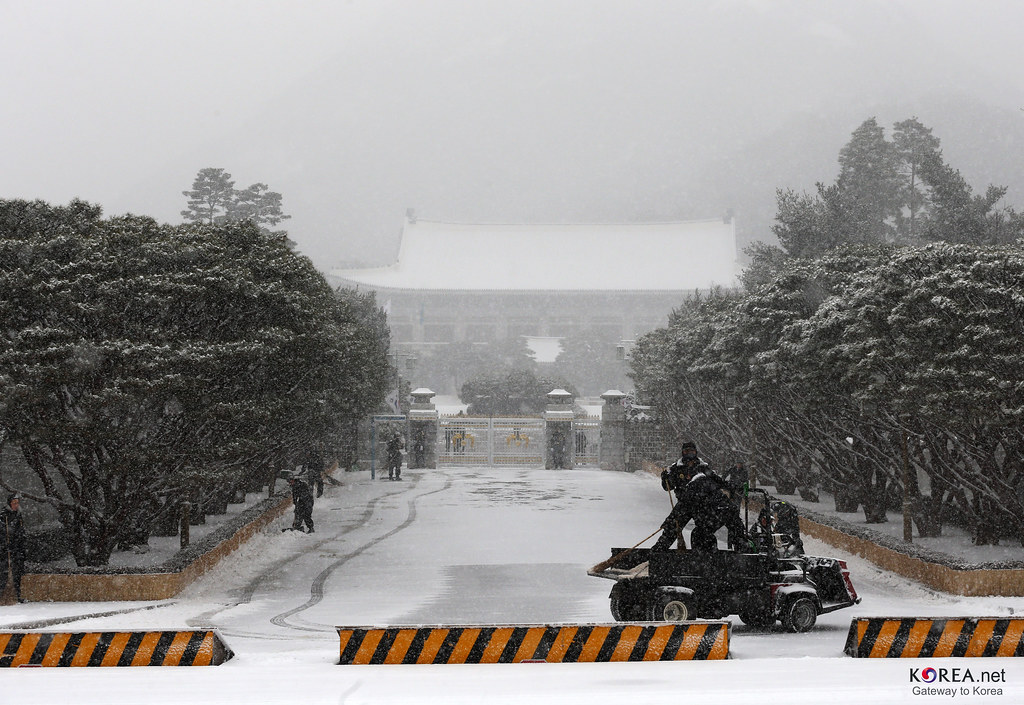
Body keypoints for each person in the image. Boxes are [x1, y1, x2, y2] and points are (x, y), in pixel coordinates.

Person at [654, 442, 748, 553]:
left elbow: (717, 480)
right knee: (673, 527)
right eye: (687, 451)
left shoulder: (702, 467)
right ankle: (658, 551)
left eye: (692, 451)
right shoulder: (676, 468)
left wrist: (732, 487)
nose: (689, 454)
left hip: (703, 504)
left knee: (722, 517)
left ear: (696, 452)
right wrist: (665, 479)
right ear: (683, 453)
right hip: (686, 503)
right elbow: (668, 487)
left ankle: (740, 547)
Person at [1, 493, 27, 603]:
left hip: (17, 550)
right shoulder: (4, 516)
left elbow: (20, 532)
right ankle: (3, 595)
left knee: (17, 574)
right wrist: (5, 545)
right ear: (9, 503)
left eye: (17, 503)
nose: (16, 505)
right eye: (14, 503)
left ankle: (16, 595)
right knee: (4, 573)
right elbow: (3, 533)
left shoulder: (18, 515)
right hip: (6, 551)